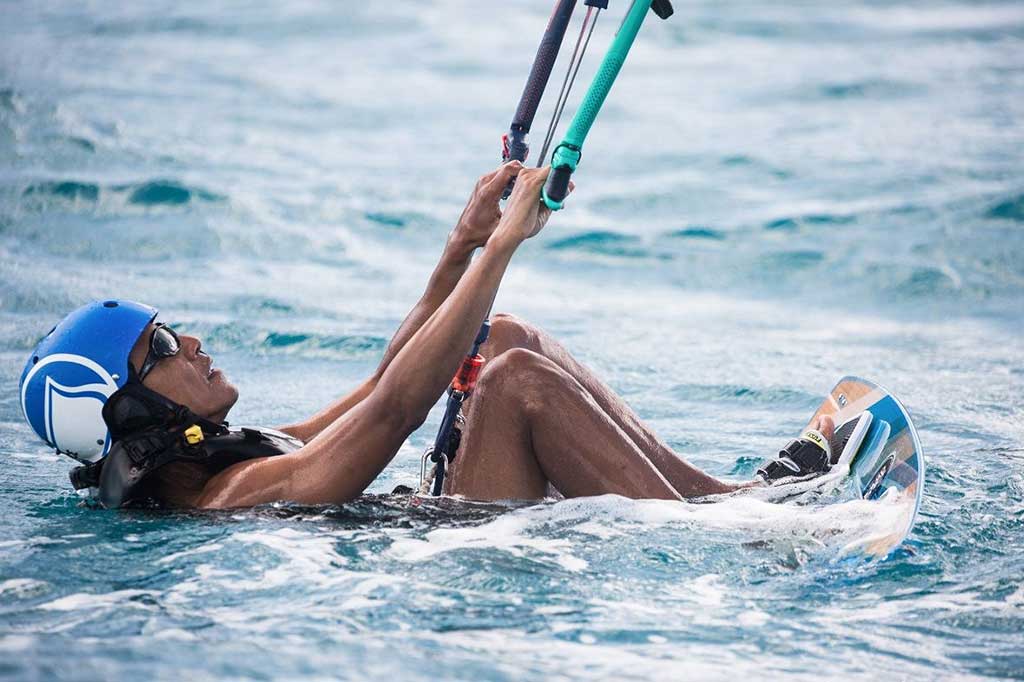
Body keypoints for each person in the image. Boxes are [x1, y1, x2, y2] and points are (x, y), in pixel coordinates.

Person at [19, 164, 839, 510]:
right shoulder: (228, 498)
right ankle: (743, 542)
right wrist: (510, 245)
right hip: (459, 552)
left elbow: (381, 388)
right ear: (128, 418)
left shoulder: (238, 449)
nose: (190, 343)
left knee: (501, 334)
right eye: (159, 350)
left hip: (446, 518)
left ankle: (730, 502)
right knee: (514, 379)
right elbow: (393, 415)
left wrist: (465, 242)